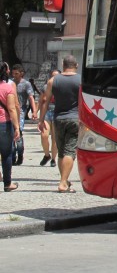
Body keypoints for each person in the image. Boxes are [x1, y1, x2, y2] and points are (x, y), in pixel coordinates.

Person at [38, 56, 80, 193]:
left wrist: (41, 119)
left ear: (63, 65)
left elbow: (46, 101)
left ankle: (65, 180)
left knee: (61, 152)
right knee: (70, 151)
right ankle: (63, 183)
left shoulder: (53, 80)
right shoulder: (81, 81)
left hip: (58, 119)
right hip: (75, 119)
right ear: (77, 65)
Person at [10, 64, 37, 165]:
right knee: (11, 133)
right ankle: (12, 156)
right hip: (10, 110)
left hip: (21, 111)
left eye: (16, 73)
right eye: (13, 73)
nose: (14, 75)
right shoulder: (10, 83)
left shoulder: (26, 84)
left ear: (21, 73)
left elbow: (31, 98)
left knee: (19, 132)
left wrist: (34, 111)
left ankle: (20, 154)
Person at [0, 62, 20, 192]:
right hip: (4, 124)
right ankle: (7, 184)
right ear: (6, 71)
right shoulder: (8, 88)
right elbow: (12, 109)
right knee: (6, 153)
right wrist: (17, 127)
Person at [37, 69, 60, 167]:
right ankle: (47, 155)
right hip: (47, 113)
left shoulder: (62, 87)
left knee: (55, 138)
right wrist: (35, 112)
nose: (54, 79)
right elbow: (41, 101)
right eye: (52, 76)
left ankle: (54, 159)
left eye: (56, 77)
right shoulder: (45, 87)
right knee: (44, 135)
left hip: (57, 113)